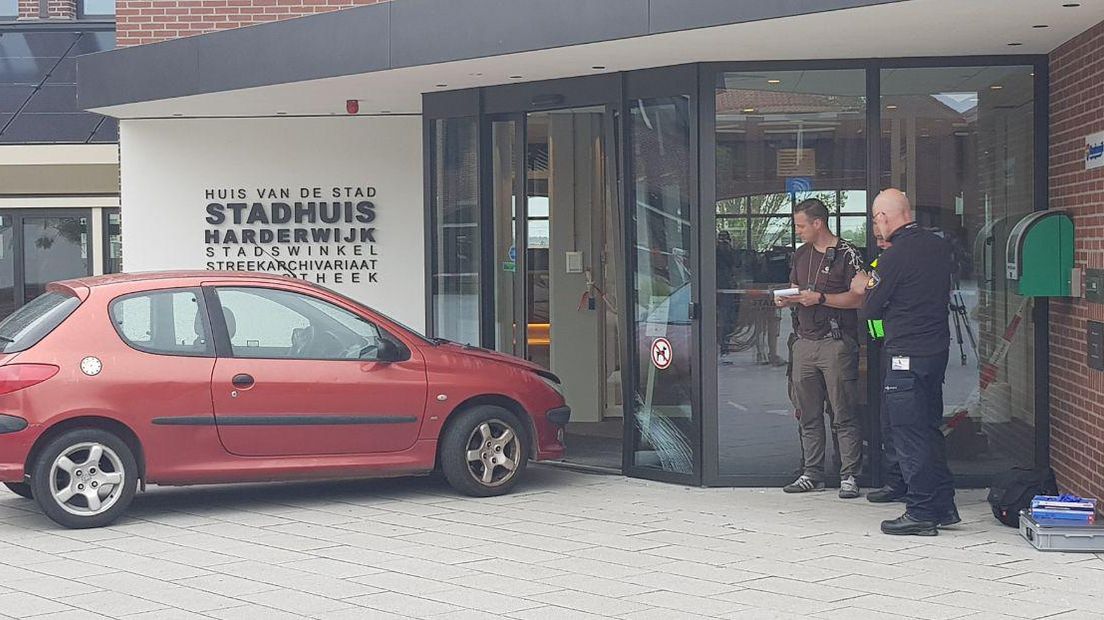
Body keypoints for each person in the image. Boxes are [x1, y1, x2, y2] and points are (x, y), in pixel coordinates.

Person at [850, 188, 958, 536]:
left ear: (885, 217)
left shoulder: (895, 257)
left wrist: (865, 284)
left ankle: (921, 510)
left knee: (908, 434)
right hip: (935, 352)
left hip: (904, 356)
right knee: (929, 429)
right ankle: (943, 505)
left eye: (875, 220)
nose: (875, 227)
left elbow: (871, 308)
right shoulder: (939, 247)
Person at [776, 198, 865, 499]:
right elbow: (796, 288)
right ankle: (811, 472)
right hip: (803, 342)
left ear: (818, 223)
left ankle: (849, 474)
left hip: (835, 342)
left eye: (801, 225)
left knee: (843, 411)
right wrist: (786, 298)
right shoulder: (800, 255)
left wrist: (821, 299)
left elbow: (859, 299)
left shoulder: (847, 254)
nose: (797, 230)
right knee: (807, 413)